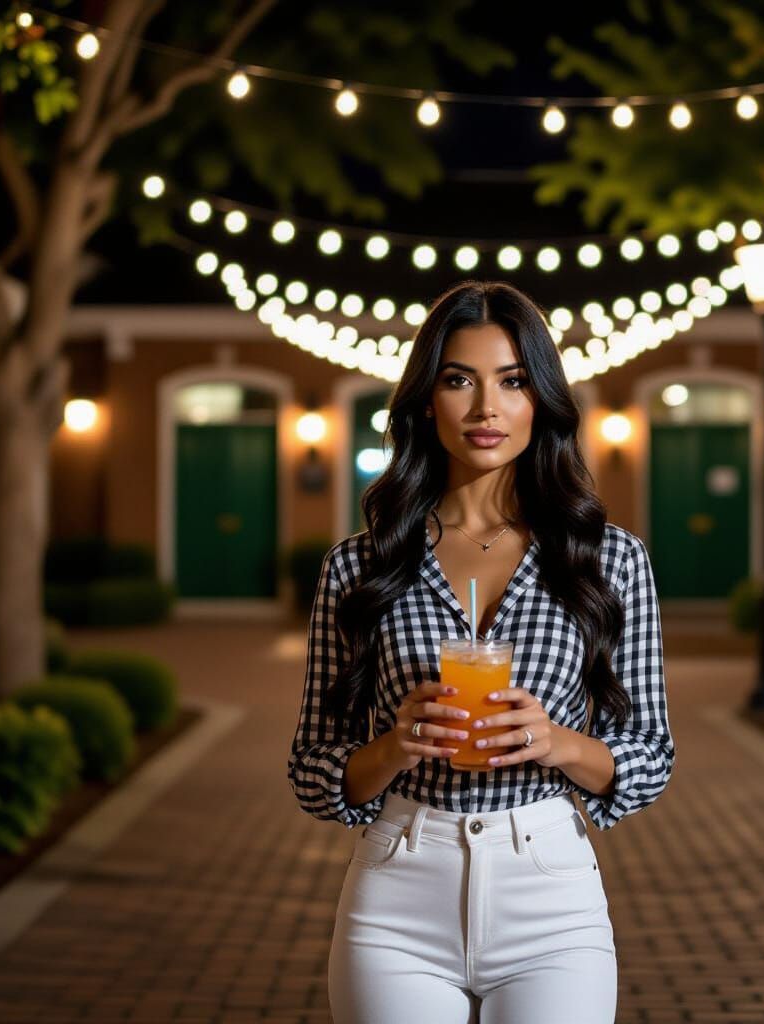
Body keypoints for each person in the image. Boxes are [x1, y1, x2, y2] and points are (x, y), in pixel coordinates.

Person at [288, 279, 675, 1024]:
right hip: (399, 890)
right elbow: (312, 770)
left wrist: (557, 742)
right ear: (426, 402)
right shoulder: (359, 566)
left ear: (543, 401)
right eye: (459, 380)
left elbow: (650, 754)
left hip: (551, 894)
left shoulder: (609, 560)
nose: (485, 408)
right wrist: (396, 746)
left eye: (513, 381)